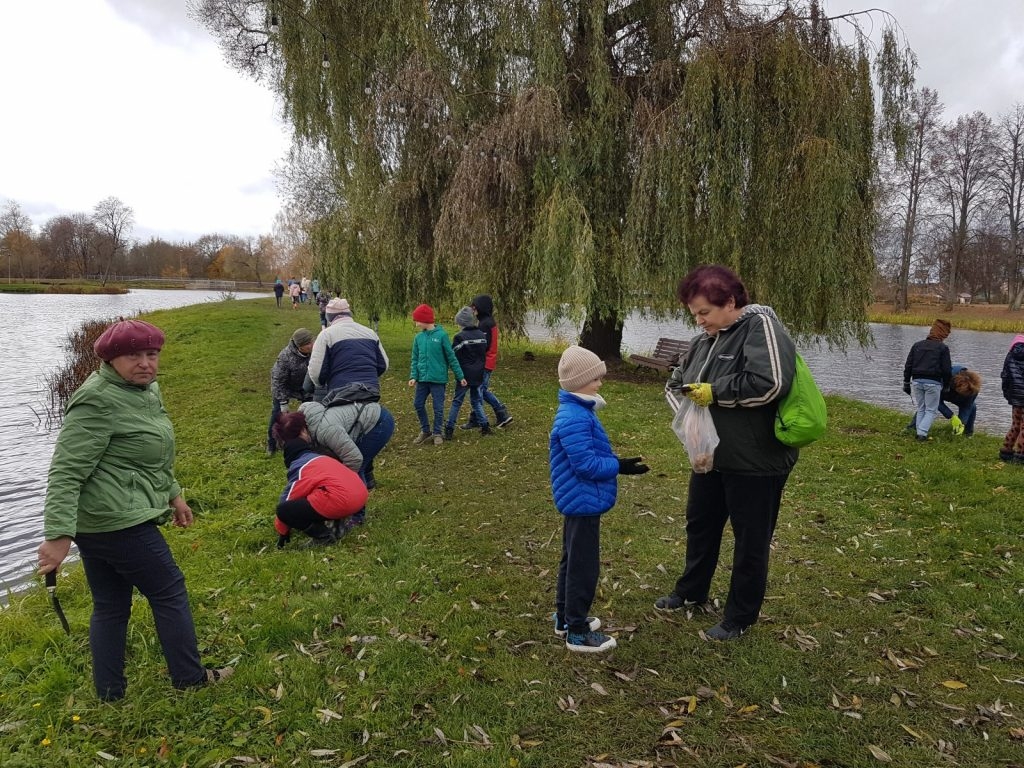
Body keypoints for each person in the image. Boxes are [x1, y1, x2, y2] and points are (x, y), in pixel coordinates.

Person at [36, 318, 232, 700]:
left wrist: (173, 494)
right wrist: (58, 538)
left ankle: (110, 692)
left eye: (152, 354)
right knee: (169, 590)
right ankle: (189, 679)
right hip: (115, 521)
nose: (145, 363)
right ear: (110, 360)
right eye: (133, 356)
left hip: (105, 519)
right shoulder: (97, 400)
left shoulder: (144, 391)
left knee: (110, 604)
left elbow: (149, 457)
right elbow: (65, 472)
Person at [655, 265, 798, 641]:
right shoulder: (703, 341)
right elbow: (676, 383)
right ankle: (691, 591)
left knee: (750, 539)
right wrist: (689, 417)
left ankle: (740, 616)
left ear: (730, 302)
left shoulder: (760, 327)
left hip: (755, 461)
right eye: (695, 315)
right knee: (700, 524)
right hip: (710, 458)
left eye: (705, 312)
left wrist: (714, 392)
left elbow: (771, 383)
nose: (700, 321)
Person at [550, 345, 649, 653]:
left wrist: (618, 463)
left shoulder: (578, 411)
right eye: (596, 379)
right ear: (580, 382)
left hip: (579, 500)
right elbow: (586, 465)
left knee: (572, 558)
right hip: (582, 499)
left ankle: (565, 618)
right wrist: (618, 466)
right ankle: (577, 632)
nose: (601, 384)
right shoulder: (574, 417)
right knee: (583, 565)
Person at [273, 412, 369, 546]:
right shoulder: (321, 456)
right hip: (359, 494)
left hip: (343, 500)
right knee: (320, 493)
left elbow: (289, 498)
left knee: (285, 510)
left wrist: (282, 530)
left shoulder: (301, 465)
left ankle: (323, 536)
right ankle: (337, 526)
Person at [300, 395, 395, 524]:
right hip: (371, 415)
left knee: (356, 467)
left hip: (380, 422)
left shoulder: (326, 430)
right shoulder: (315, 423)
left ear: (304, 428)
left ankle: (357, 516)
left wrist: (344, 482)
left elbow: (355, 460)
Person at [308, 297, 389, 405]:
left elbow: (316, 372)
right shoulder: (370, 333)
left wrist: (322, 383)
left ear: (329, 317)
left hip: (340, 392)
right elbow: (383, 365)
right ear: (349, 314)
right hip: (370, 391)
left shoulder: (326, 335)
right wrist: (368, 376)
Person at [408, 303, 467, 446]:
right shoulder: (418, 338)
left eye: (417, 320)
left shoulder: (442, 336)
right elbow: (415, 358)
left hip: (438, 380)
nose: (415, 323)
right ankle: (425, 430)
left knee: (438, 407)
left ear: (424, 320)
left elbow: (451, 357)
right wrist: (413, 376)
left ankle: (437, 433)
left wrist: (460, 376)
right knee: (418, 404)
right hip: (422, 379)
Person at [462, 294, 512, 429]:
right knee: (478, 390)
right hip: (487, 361)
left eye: (474, 306)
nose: (473, 309)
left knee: (479, 390)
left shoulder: (485, 324)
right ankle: (477, 418)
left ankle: (501, 413)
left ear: (481, 307)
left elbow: (483, 345)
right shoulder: (487, 321)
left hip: (484, 363)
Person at [443, 306, 491, 440]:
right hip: (478, 373)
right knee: (476, 401)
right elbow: (483, 352)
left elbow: (453, 355)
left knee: (457, 401)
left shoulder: (460, 337)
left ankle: (449, 428)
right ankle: (485, 425)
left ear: (462, 323)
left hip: (464, 375)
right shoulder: (482, 335)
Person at [903, 319, 953, 442]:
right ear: (943, 334)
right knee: (931, 410)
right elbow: (946, 370)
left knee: (921, 408)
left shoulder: (917, 345)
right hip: (933, 382)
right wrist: (946, 385)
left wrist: (906, 383)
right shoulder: (943, 348)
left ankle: (919, 431)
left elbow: (908, 365)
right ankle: (922, 434)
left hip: (916, 381)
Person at [267, 328, 314, 456]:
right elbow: (277, 381)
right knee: (277, 414)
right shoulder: (285, 357)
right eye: (308, 343)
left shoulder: (315, 352)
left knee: (311, 413)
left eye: (312, 341)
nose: (312, 345)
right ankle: (272, 444)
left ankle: (310, 441)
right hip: (286, 387)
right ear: (299, 346)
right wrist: (283, 402)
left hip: (306, 388)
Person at [907, 364, 981, 437]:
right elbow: (935, 401)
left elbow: (967, 406)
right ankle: (912, 428)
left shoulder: (974, 389)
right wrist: (951, 416)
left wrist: (962, 423)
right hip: (941, 390)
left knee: (972, 407)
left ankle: (967, 434)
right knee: (928, 404)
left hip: (957, 394)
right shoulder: (945, 375)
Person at [1000, 333, 1024, 462]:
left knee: (1016, 422)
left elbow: (1005, 373)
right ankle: (1021, 454)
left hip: (1015, 392)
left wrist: (1008, 391)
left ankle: (1006, 450)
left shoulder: (1012, 351)